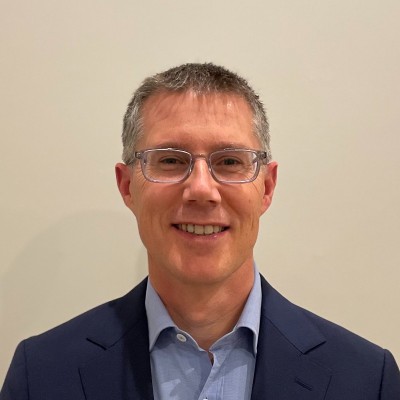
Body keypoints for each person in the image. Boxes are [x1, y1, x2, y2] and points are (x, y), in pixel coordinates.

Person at [1, 63, 399, 400]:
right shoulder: (42, 375)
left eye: (230, 161)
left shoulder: (367, 380)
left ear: (267, 187)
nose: (202, 190)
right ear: (127, 187)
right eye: (170, 161)